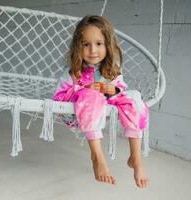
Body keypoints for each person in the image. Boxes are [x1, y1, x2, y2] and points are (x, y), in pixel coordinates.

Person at [53, 15, 149, 188]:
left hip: (103, 111)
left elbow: (121, 88)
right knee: (92, 95)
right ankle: (97, 157)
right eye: (86, 45)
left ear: (108, 45)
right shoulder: (73, 73)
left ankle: (136, 157)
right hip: (76, 113)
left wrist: (115, 90)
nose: (92, 50)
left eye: (98, 44)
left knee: (134, 97)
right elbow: (58, 97)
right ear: (78, 47)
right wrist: (83, 90)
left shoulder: (112, 70)